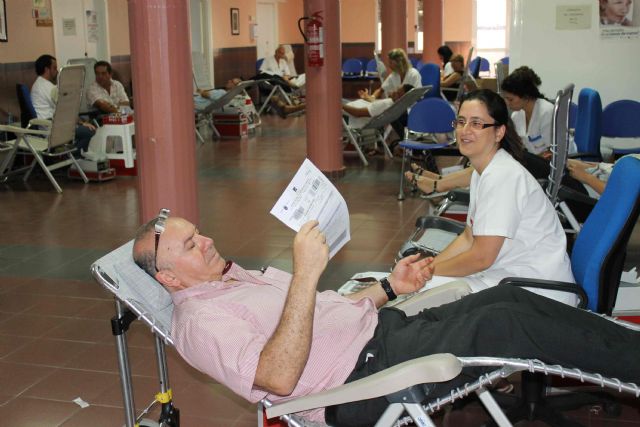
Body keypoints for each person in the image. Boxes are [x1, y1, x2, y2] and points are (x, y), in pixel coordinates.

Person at [132, 213, 640, 426]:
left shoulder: (237, 277)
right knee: (506, 327)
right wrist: (305, 276)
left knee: (505, 301)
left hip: (387, 334)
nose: (208, 241)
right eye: (192, 245)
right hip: (363, 382)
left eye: (199, 232)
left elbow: (327, 313)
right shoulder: (198, 324)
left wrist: (390, 287)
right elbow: (278, 379)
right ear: (172, 279)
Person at [416, 90, 578, 305]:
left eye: (476, 124)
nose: (464, 130)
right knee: (420, 289)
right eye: (461, 121)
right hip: (509, 279)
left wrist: (426, 272)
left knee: (421, 296)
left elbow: (482, 257)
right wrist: (429, 267)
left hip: (538, 294)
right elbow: (468, 238)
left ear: (499, 132)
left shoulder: (503, 176)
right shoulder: (482, 171)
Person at [31, 54, 96, 155]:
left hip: (50, 125)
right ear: (47, 69)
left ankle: (70, 156)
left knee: (84, 127)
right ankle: (72, 159)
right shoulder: (46, 87)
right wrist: (82, 123)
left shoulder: (40, 84)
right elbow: (65, 109)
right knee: (89, 132)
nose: (56, 71)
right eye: (54, 68)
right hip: (52, 129)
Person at [500, 66, 554, 157]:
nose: (507, 103)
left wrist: (528, 161)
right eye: (505, 98)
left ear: (526, 96)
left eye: (510, 99)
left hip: (554, 164)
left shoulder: (546, 112)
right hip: (533, 161)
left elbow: (552, 152)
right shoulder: (516, 115)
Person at [568, 154, 640, 197]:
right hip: (589, 177)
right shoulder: (636, 157)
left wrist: (585, 176)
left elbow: (617, 193)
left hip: (591, 197)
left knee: (561, 181)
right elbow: (608, 167)